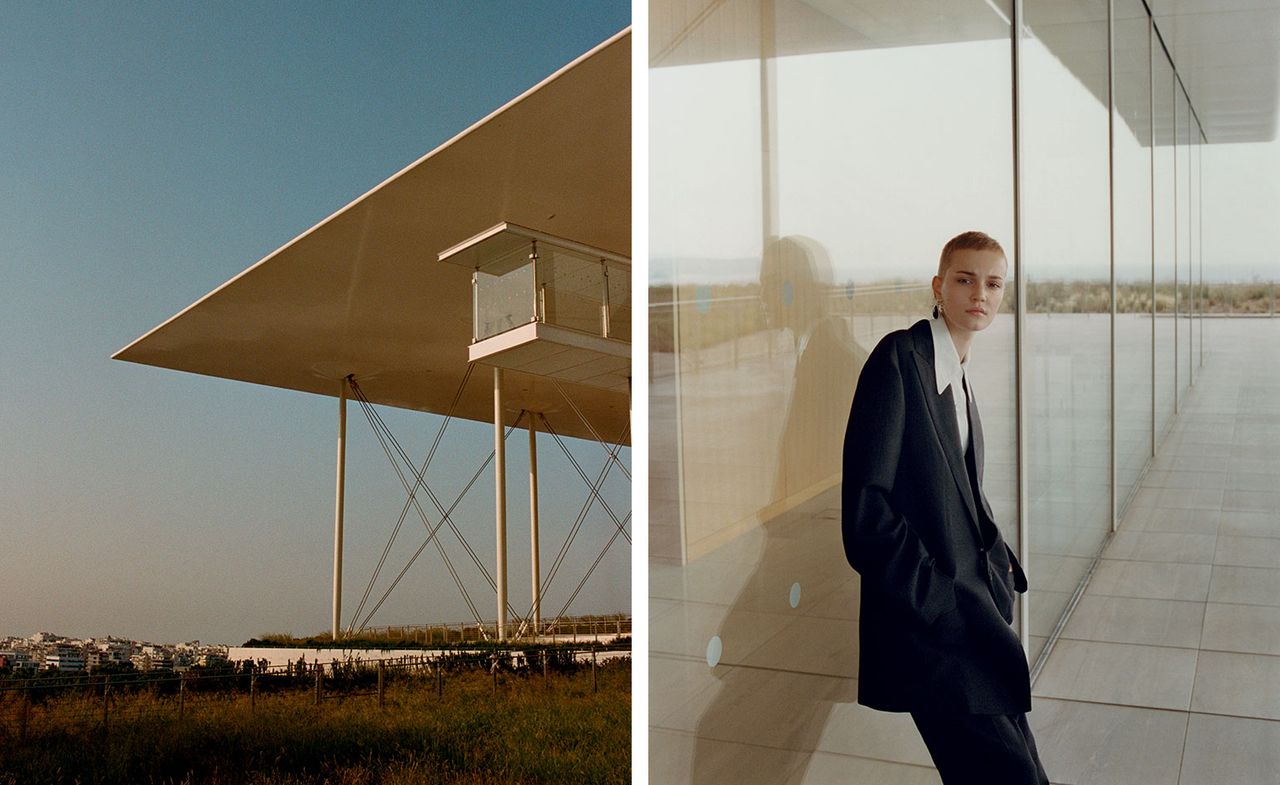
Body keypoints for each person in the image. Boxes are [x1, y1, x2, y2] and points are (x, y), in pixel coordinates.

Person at [841, 231, 1049, 785]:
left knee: (1024, 769)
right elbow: (866, 511)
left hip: (971, 614)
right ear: (938, 286)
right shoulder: (899, 361)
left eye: (993, 283)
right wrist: (937, 601)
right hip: (934, 629)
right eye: (965, 279)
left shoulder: (957, 374)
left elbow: (962, 493)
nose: (979, 292)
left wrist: (1000, 562)